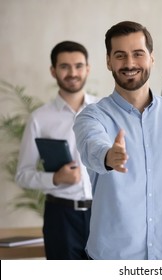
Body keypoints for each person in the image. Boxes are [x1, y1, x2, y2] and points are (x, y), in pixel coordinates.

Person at [73, 21, 162, 260]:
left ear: (151, 58)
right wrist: (109, 156)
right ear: (108, 61)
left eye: (138, 54)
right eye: (120, 55)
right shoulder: (92, 116)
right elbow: (92, 145)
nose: (130, 63)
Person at [15, 41, 99, 259]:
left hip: (103, 214)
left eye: (79, 66)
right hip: (60, 218)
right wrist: (56, 178)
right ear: (53, 71)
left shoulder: (104, 112)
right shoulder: (39, 118)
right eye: (64, 66)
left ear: (88, 69)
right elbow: (23, 175)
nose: (73, 73)